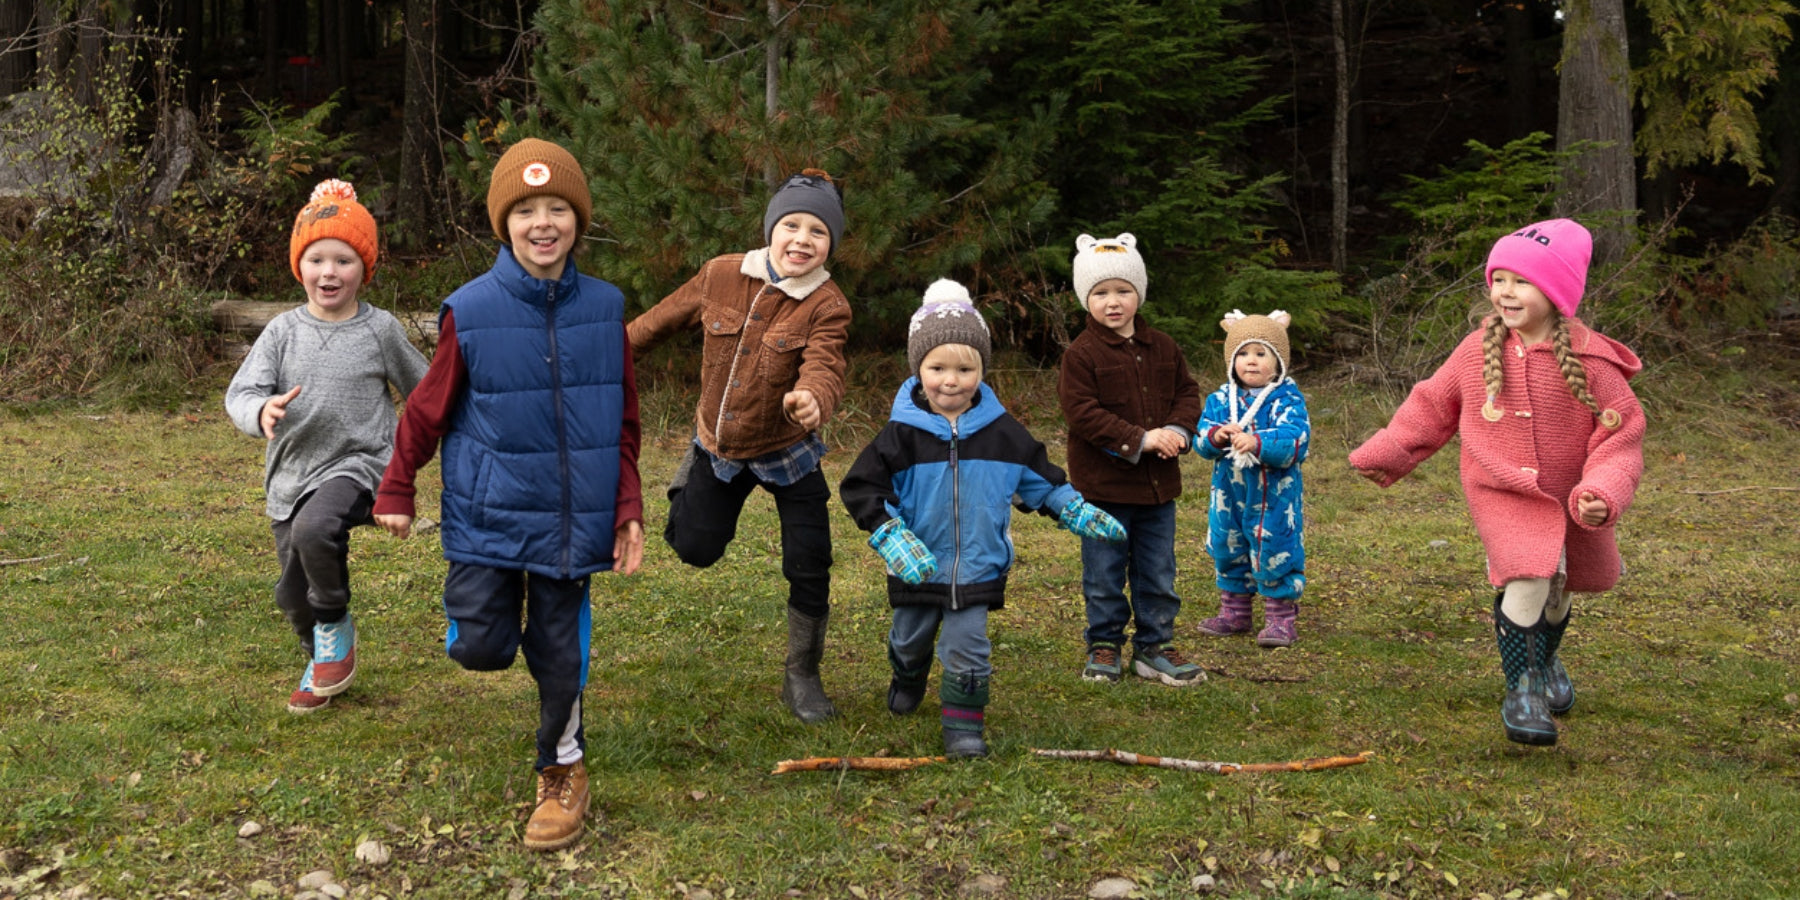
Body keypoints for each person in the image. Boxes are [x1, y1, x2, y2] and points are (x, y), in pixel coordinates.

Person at [372, 138, 644, 850]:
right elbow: (426, 408)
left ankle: (563, 768)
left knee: (561, 652)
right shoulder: (471, 309)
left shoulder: (607, 307)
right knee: (483, 649)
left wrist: (627, 507)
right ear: (504, 223)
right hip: (487, 512)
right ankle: (490, 630)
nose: (544, 223)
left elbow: (624, 422)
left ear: (579, 221)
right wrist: (397, 486)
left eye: (558, 208)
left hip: (570, 523)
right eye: (526, 211)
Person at [1349, 218, 1644, 747]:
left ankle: (1547, 660)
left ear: (1557, 293)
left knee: (1559, 587)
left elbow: (1620, 438)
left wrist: (1603, 490)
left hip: (1572, 497)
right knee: (1528, 576)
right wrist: (1390, 452)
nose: (1506, 292)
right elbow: (1430, 408)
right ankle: (1523, 689)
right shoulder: (1475, 350)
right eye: (1499, 278)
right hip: (1501, 489)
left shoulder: (1593, 363)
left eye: (1522, 281)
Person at [839, 279, 1127, 758]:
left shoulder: (1002, 432)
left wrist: (1070, 506)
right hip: (918, 562)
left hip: (978, 564)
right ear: (918, 369)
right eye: (937, 368)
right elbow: (861, 487)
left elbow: (1037, 478)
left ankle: (963, 728)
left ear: (981, 371)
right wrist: (889, 534)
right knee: (909, 639)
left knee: (968, 647)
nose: (950, 380)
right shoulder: (900, 435)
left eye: (964, 368)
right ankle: (907, 675)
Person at [627, 169, 849, 724]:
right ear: (771, 228)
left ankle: (802, 672)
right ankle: (692, 471)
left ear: (830, 245)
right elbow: (654, 324)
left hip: (787, 449)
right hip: (720, 444)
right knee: (693, 547)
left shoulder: (827, 303)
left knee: (811, 560)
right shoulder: (721, 274)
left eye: (817, 232)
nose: (801, 239)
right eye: (791, 225)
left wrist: (813, 398)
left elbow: (826, 363)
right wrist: (600, 355)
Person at [225, 178, 429, 715]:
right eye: (317, 259)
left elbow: (425, 391)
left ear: (365, 268)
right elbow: (240, 393)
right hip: (292, 474)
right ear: (300, 266)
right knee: (292, 595)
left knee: (319, 530)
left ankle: (335, 621)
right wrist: (259, 411)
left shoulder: (379, 330)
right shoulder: (281, 332)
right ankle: (321, 655)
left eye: (343, 259)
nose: (329, 272)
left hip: (359, 465)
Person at [1057, 233, 1206, 686]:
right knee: (1103, 572)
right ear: (1087, 299)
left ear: (1139, 293)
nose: (1113, 302)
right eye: (1100, 293)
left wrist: (1178, 432)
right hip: (1103, 488)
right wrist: (1140, 439)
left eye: (1123, 290)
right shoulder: (1080, 355)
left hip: (1158, 487)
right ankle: (1104, 644)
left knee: (1157, 569)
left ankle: (1155, 645)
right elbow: (1083, 413)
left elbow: (1187, 392)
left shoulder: (1163, 346)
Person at [1193, 310, 1311, 648]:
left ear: (1278, 362)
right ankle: (1235, 612)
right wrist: (1216, 437)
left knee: (1274, 546)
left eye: (1261, 354)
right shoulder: (1219, 400)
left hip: (1274, 495)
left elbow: (1295, 440)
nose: (1251, 361)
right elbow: (1201, 437)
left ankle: (1280, 618)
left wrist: (1259, 443)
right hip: (1229, 493)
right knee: (1228, 544)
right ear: (1231, 360)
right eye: (1243, 354)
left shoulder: (1286, 398)